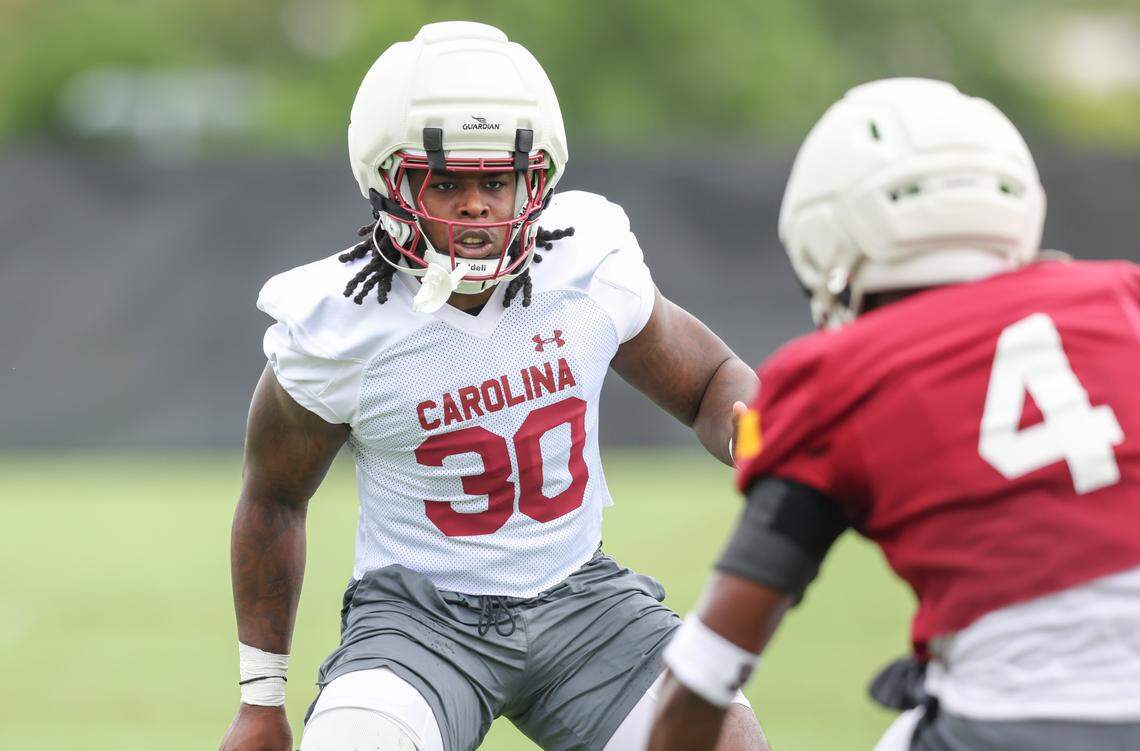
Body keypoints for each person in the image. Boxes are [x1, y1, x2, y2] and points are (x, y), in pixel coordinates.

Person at [218, 21, 769, 751]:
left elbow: (709, 383)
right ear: (392, 182)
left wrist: (758, 435)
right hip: (420, 621)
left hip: (583, 603)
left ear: (532, 180)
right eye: (446, 183)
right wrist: (262, 700)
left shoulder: (585, 267)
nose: (476, 204)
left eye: (495, 180)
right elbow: (274, 496)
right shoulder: (339, 325)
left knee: (726, 741)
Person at [647, 78, 1140, 751]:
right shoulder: (1125, 297)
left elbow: (706, 671)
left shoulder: (833, 379)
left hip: (1007, 727)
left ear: (828, 234)